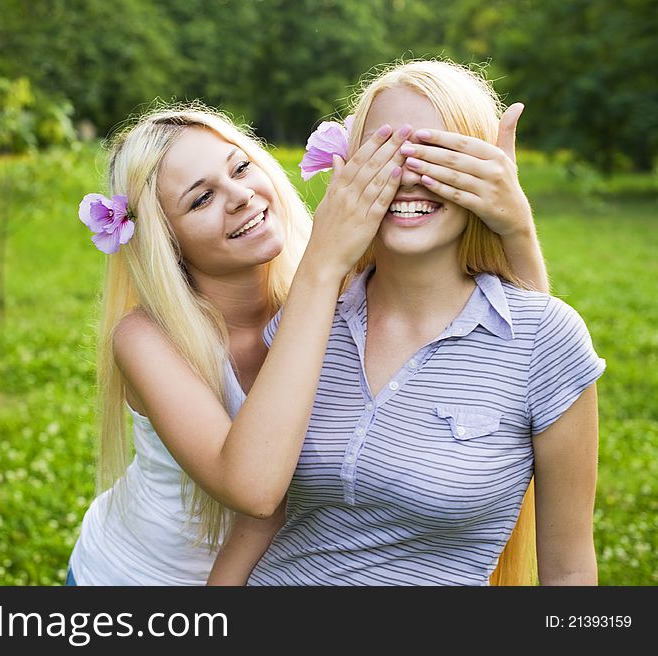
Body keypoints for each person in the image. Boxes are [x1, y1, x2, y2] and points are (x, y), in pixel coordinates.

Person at [68, 92, 546, 585]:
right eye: (201, 198)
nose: (239, 197)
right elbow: (254, 490)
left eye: (240, 169)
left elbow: (517, 348)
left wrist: (515, 226)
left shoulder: (332, 290)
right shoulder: (147, 338)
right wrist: (323, 263)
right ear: (166, 240)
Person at [207, 60, 604, 587]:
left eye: (440, 154)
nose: (410, 173)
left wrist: (515, 225)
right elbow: (260, 519)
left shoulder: (546, 339)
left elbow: (569, 570)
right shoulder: (307, 323)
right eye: (385, 153)